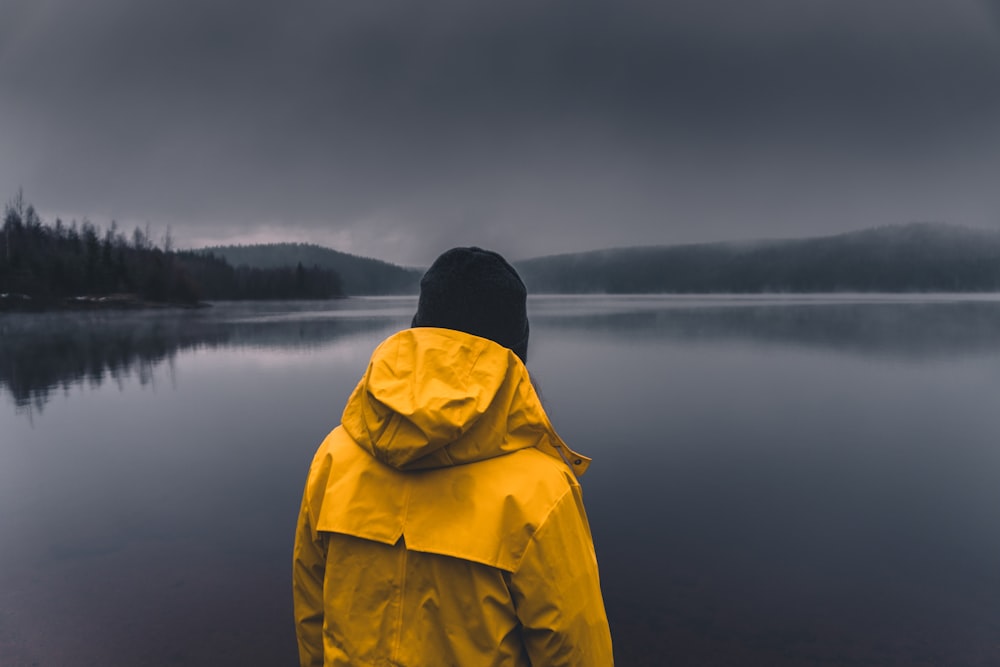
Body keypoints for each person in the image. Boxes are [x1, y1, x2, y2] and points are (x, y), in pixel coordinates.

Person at [292, 247, 613, 666]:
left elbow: (311, 616)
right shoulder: (541, 490)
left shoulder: (336, 456)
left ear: (418, 333)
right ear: (515, 354)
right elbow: (575, 652)